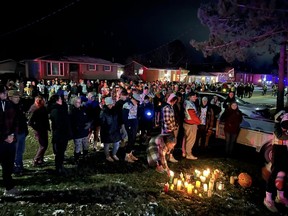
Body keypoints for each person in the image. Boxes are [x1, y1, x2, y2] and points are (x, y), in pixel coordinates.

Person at [263, 111, 288, 213]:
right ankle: (268, 198)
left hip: (286, 149)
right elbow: (280, 133)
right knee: (275, 173)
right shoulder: (283, 114)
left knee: (283, 174)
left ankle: (280, 196)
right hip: (279, 148)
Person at [0, 84, 20, 196]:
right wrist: (4, 137)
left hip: (10, 141)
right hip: (1, 141)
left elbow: (15, 121)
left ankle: (9, 187)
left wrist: (12, 135)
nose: (6, 94)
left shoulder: (9, 105)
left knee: (8, 165)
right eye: (4, 92)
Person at [49, 94, 71, 175]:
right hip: (59, 135)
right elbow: (58, 123)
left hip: (63, 134)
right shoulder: (56, 110)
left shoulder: (60, 108)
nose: (62, 100)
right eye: (60, 99)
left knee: (61, 152)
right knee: (59, 153)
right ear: (57, 100)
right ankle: (58, 168)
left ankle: (61, 166)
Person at [8, 90, 29, 175]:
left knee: (21, 150)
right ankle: (16, 167)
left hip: (21, 131)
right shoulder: (9, 107)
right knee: (16, 151)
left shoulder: (19, 106)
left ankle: (19, 165)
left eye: (18, 97)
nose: (18, 99)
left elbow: (22, 119)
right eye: (15, 97)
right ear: (10, 98)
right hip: (14, 133)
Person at [28, 95, 50, 166]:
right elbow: (30, 122)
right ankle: (36, 159)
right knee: (42, 145)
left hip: (44, 128)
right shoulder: (34, 108)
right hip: (39, 129)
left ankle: (40, 159)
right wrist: (36, 128)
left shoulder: (43, 107)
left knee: (45, 144)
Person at [100, 97, 122, 162]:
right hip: (107, 131)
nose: (111, 105)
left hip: (115, 129)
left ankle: (114, 154)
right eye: (110, 104)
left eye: (112, 104)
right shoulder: (103, 112)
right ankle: (107, 156)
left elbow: (117, 119)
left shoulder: (115, 110)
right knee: (106, 144)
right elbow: (102, 122)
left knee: (117, 143)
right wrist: (107, 130)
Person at [69, 96, 90, 163]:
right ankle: (76, 158)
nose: (79, 103)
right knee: (78, 147)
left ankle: (85, 156)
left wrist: (88, 124)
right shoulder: (72, 111)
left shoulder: (83, 109)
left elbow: (86, 117)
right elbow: (71, 123)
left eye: (80, 102)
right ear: (74, 103)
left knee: (85, 145)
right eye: (78, 102)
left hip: (84, 132)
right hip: (77, 133)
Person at [122, 92, 140, 163]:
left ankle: (130, 153)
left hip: (134, 122)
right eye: (136, 101)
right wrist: (128, 125)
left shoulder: (135, 104)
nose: (137, 102)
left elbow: (136, 114)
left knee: (133, 139)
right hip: (129, 123)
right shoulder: (127, 105)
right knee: (130, 139)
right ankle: (127, 155)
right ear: (132, 99)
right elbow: (124, 117)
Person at [182, 91, 201, 160]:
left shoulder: (187, 102)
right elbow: (192, 115)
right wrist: (199, 122)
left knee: (187, 139)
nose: (196, 98)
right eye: (194, 96)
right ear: (190, 97)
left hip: (187, 123)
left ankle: (185, 152)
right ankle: (189, 154)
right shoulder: (189, 104)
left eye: (196, 96)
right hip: (191, 124)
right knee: (190, 140)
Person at [161, 93, 179, 163]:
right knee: (170, 143)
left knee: (170, 143)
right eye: (174, 101)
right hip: (168, 129)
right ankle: (167, 157)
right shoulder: (167, 108)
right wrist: (173, 127)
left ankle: (167, 157)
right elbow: (167, 120)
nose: (175, 102)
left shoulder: (170, 107)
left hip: (170, 129)